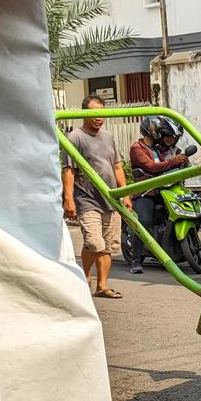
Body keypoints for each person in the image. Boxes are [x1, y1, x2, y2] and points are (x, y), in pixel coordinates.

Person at [62, 95, 131, 299]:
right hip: (87, 198)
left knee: (108, 246)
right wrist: (69, 199)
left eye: (101, 114)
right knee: (94, 243)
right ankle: (84, 276)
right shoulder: (75, 138)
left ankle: (102, 286)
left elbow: (117, 166)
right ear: (84, 113)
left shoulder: (108, 137)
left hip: (110, 199)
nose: (98, 118)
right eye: (93, 114)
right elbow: (68, 170)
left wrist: (124, 194)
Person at [127, 116, 189, 274]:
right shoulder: (137, 148)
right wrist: (173, 162)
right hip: (145, 193)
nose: (160, 133)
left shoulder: (156, 148)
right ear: (150, 130)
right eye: (158, 130)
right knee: (144, 221)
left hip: (160, 190)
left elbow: (165, 164)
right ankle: (135, 260)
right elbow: (151, 167)